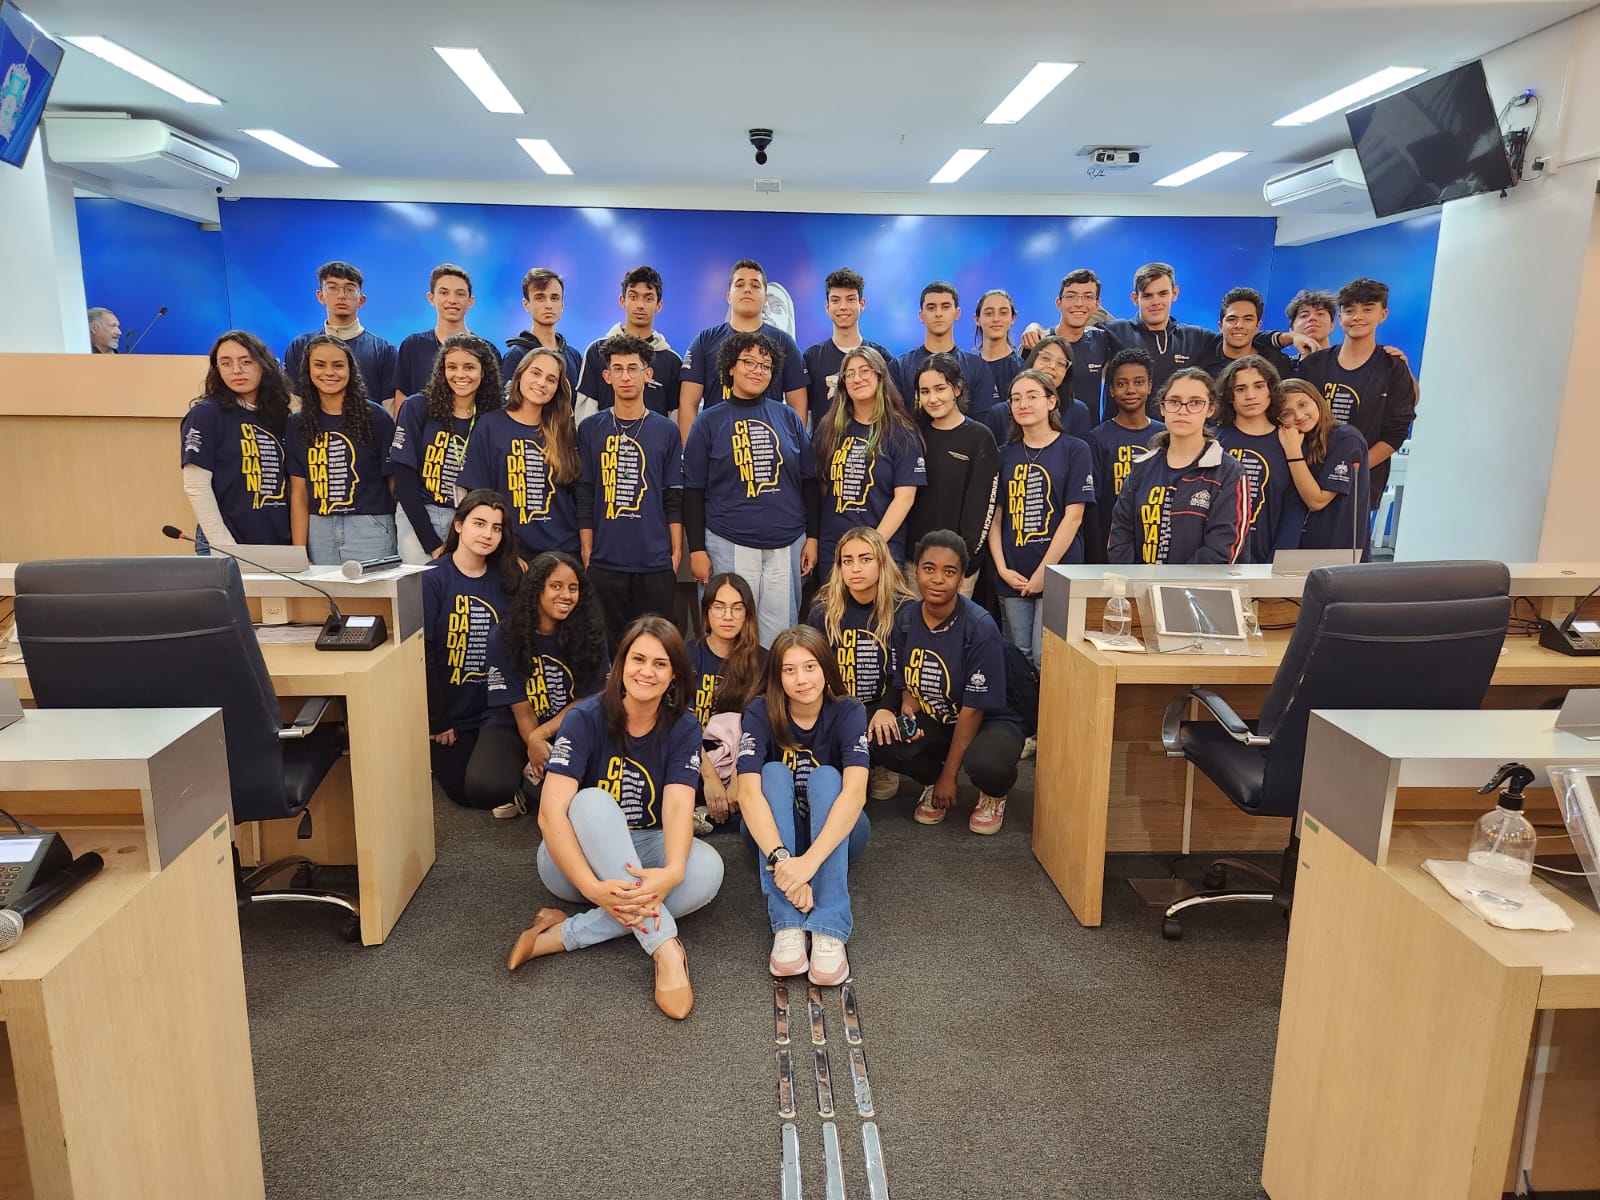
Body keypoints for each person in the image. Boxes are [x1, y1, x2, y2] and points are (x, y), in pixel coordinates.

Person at [508, 616, 723, 1022]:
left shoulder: (684, 726)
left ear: (674, 674)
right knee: (591, 802)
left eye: (660, 663)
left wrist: (674, 871)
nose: (647, 671)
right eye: (638, 659)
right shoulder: (584, 719)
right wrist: (593, 888)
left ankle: (561, 934)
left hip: (645, 849)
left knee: (708, 869)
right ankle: (665, 949)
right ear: (621, 664)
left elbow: (678, 807)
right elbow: (550, 815)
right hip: (572, 863)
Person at [738, 624, 872, 984]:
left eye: (810, 667)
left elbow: (855, 793)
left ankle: (829, 926)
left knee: (828, 778)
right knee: (771, 773)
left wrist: (808, 863)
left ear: (825, 668)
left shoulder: (849, 710)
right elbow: (747, 794)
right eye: (789, 669)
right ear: (777, 676)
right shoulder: (759, 710)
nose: (801, 679)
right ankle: (788, 925)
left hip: (836, 834)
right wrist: (784, 862)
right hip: (775, 839)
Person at [869, 530, 1024, 834]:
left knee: (987, 764)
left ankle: (993, 793)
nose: (937, 579)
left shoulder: (979, 626)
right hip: (942, 713)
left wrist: (950, 776)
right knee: (882, 737)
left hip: (989, 718)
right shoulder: (905, 619)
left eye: (949, 572)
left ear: (962, 578)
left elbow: (972, 711)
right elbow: (906, 683)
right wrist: (907, 711)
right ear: (916, 571)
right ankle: (931, 778)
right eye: (929, 568)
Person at [683, 331, 819, 642]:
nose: (758, 370)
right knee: (729, 638)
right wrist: (697, 549)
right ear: (731, 367)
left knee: (779, 640)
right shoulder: (708, 421)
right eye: (749, 362)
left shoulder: (788, 418)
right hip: (727, 543)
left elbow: (809, 481)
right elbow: (693, 490)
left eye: (765, 365)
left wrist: (812, 537)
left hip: (786, 544)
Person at [468, 550, 607, 818]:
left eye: (573, 588)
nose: (566, 595)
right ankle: (519, 779)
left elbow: (590, 698)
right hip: (514, 722)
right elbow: (522, 711)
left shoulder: (590, 632)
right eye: (556, 586)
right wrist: (533, 740)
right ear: (536, 589)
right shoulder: (503, 636)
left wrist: (540, 736)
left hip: (573, 722)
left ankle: (538, 777)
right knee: (485, 786)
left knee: (580, 799)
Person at [575, 334, 683, 648]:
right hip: (605, 560)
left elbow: (673, 494)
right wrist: (587, 548)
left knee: (655, 647)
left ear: (647, 374)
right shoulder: (590, 428)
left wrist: (676, 552)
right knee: (608, 648)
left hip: (655, 561)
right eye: (618, 369)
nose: (625, 376)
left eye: (633, 368)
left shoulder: (667, 430)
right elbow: (585, 492)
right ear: (606, 376)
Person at [421, 490, 523, 807]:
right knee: (466, 791)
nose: (488, 534)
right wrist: (437, 719)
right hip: (453, 715)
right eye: (479, 524)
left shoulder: (509, 577)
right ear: (459, 525)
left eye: (496, 528)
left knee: (494, 785)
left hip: (498, 711)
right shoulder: (432, 578)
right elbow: (422, 653)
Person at [988, 369, 1096, 667]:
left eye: (1032, 396)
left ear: (1051, 402)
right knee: (1018, 657)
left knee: (1044, 656)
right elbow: (995, 517)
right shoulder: (1004, 454)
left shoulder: (1075, 449)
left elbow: (1074, 517)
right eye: (1016, 398)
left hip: (1058, 573)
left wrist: (1043, 573)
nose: (1023, 404)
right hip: (1013, 574)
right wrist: (1002, 568)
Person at [808, 526, 917, 800]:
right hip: (838, 706)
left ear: (881, 563)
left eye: (865, 559)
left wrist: (887, 708)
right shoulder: (823, 610)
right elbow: (813, 668)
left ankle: (880, 764)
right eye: (847, 561)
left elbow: (904, 673)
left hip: (880, 707)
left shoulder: (905, 609)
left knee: (884, 737)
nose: (855, 568)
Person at [1293, 278, 1419, 506]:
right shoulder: (1313, 365)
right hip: (1306, 478)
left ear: (1383, 314)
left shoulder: (1392, 368)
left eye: (1368, 309)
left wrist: (1348, 469)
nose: (1357, 317)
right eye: (1350, 310)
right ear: (1340, 317)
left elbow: (1395, 432)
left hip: (1360, 485)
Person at [1108, 368, 1250, 564]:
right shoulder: (1141, 469)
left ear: (1210, 410)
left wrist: (1174, 583)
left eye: (1195, 403)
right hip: (1139, 583)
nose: (1183, 410)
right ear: (1163, 408)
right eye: (1174, 402)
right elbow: (1120, 539)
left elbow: (1222, 551)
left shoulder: (1229, 472)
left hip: (1202, 583)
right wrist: (1135, 580)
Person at [1100, 263, 1307, 395]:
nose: (1156, 301)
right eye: (1147, 295)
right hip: (1123, 438)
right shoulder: (1113, 332)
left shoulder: (1194, 336)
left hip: (1177, 437)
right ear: (1135, 298)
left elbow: (1238, 335)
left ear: (1174, 293)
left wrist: (1287, 338)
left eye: (1162, 293)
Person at [389, 332, 503, 564]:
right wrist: (431, 543)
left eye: (469, 367)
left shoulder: (492, 417)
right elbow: (403, 478)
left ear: (483, 372)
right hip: (418, 515)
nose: (460, 374)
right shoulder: (417, 407)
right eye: (452, 367)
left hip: (470, 519)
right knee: (420, 586)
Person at [813, 345, 926, 578]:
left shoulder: (901, 432)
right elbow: (824, 485)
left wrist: (871, 546)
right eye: (850, 374)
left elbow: (905, 498)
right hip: (834, 548)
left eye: (865, 371)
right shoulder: (829, 427)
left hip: (881, 547)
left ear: (880, 376)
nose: (857, 379)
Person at [458, 346, 581, 559]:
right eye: (535, 373)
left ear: (557, 388)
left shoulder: (564, 430)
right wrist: (504, 552)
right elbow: (478, 496)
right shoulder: (490, 426)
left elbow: (578, 495)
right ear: (520, 375)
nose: (541, 383)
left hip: (563, 550)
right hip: (509, 551)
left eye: (551, 379)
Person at [287, 334, 397, 565]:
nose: (329, 372)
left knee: (374, 591)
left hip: (370, 525)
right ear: (308, 370)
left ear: (351, 370)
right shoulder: (297, 423)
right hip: (318, 529)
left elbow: (394, 482)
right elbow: (299, 492)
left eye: (338, 365)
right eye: (320, 365)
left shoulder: (376, 417)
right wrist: (299, 551)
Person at [180, 330, 294, 549]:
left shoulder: (279, 415)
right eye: (226, 363)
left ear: (264, 364)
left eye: (246, 361)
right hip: (227, 543)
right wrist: (224, 546)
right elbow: (196, 486)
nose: (236, 370)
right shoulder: (206, 414)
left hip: (277, 541)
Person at [678, 259, 809, 442]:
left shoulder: (784, 343)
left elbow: (798, 406)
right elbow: (688, 404)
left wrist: (792, 449)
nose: (747, 289)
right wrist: (692, 452)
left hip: (769, 447)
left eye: (755, 285)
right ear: (728, 296)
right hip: (715, 448)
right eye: (740, 285)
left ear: (765, 297)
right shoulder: (704, 341)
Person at [902, 355, 999, 599]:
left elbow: (983, 507)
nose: (932, 398)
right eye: (925, 391)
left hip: (957, 566)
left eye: (940, 389)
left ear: (957, 389)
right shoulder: (913, 435)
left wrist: (965, 562)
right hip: (914, 564)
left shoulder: (979, 437)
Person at [688, 573, 766, 827]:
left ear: (748, 614)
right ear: (707, 612)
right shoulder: (686, 655)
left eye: (737, 608)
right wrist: (709, 777)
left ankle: (703, 815)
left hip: (743, 759)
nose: (728, 616)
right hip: (695, 758)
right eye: (719, 607)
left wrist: (738, 774)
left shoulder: (763, 661)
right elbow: (679, 722)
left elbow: (760, 729)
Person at [1215, 356, 1308, 563]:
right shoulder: (1212, 441)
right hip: (1215, 561)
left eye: (1258, 386)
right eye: (1240, 389)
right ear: (1229, 396)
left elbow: (1294, 511)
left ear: (1271, 390)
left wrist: (1275, 564)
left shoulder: (1290, 441)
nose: (1250, 396)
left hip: (1267, 560)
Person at [1278, 377, 1372, 559]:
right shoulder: (1295, 438)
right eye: (1287, 413)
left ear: (1317, 399)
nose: (1299, 416)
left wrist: (1293, 452)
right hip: (1297, 546)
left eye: (1303, 404)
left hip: (1337, 552)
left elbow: (1317, 501)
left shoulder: (1346, 438)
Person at [575, 265, 682, 420]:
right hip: (603, 436)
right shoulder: (597, 351)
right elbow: (585, 415)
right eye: (633, 297)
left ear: (659, 305)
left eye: (648, 298)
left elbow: (675, 419)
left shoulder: (672, 361)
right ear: (622, 301)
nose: (640, 305)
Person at [283, 261, 397, 403]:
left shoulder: (384, 351)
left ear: (361, 300)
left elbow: (389, 408)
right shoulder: (300, 346)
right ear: (320, 296)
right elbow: (294, 403)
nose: (341, 295)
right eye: (333, 288)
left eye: (350, 289)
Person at [801, 268, 893, 435]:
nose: (843, 307)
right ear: (827, 306)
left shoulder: (882, 357)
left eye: (850, 299)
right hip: (825, 448)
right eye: (835, 300)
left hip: (872, 447)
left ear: (862, 304)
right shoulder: (811, 358)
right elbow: (803, 415)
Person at [889, 281, 998, 419]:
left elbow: (985, 422)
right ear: (921, 316)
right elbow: (894, 420)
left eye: (945, 307)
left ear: (957, 313)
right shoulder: (899, 367)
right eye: (931, 308)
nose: (938, 313)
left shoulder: (978, 367)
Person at [1085, 348, 1163, 537]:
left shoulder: (1165, 435)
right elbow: (1093, 503)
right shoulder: (1097, 438)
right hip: (1111, 538)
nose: (1130, 390)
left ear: (1150, 386)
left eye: (1139, 382)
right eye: (1121, 384)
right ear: (1111, 390)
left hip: (1156, 538)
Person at [1018, 269, 1113, 418]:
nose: (1079, 303)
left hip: (1089, 432)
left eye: (1088, 296)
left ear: (1097, 304)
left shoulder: (1101, 339)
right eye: (1071, 296)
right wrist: (1033, 326)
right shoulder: (1036, 343)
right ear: (1058, 303)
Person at [392, 263, 477, 404]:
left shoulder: (486, 351)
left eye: (460, 294)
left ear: (470, 301)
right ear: (431, 298)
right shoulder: (412, 346)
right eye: (444, 293)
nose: (452, 300)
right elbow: (402, 401)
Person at [501, 267, 582, 393]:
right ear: (526, 304)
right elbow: (509, 401)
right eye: (540, 298)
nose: (548, 305)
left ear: (562, 305)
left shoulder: (574, 356)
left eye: (554, 298)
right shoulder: (516, 355)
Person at [1193, 287, 1295, 381]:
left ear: (1258, 326)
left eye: (1248, 319)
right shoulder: (1201, 362)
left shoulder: (1278, 364)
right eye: (1232, 319)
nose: (1239, 325)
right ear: (1220, 326)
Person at [974, 288, 1024, 414]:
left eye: (1003, 313)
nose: (996, 319)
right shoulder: (969, 368)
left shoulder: (1022, 369)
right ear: (977, 319)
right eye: (989, 313)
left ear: (1013, 318)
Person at [1284, 289, 1337, 356]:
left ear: (1332, 325)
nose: (1312, 318)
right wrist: (1286, 338)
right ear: (1292, 329)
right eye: (1304, 315)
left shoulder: (1345, 360)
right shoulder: (1282, 362)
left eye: (1320, 314)